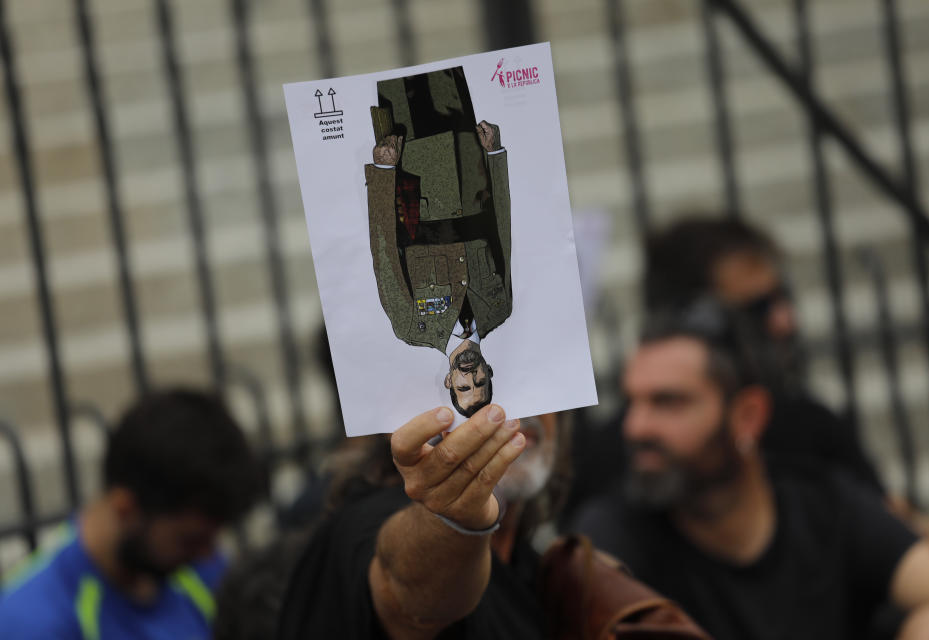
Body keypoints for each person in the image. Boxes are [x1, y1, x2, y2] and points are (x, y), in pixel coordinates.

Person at [572, 301, 929, 640]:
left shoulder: (823, 503)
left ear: (747, 416)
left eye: (668, 402)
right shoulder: (613, 534)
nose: (636, 427)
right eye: (632, 402)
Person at [277, 407, 707, 639]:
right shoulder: (367, 525)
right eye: (477, 371)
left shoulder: (537, 566)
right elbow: (408, 594)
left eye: (535, 370)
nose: (513, 407)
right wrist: (454, 519)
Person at [644, 215, 884, 494]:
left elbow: (885, 522)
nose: (786, 321)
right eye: (758, 308)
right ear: (692, 322)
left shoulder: (810, 427)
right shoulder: (637, 449)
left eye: (783, 297)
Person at [0, 388, 260, 640]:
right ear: (125, 507)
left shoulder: (203, 573)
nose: (209, 554)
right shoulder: (32, 623)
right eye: (190, 540)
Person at [366, 65, 511, 416]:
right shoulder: (499, 309)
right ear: (489, 372)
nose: (470, 377)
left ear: (448, 382)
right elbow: (501, 233)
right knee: (445, 70)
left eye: (464, 387)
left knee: (399, 75)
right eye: (481, 382)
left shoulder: (412, 328)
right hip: (467, 163)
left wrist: (385, 173)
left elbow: (384, 253)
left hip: (414, 170)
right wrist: (494, 157)